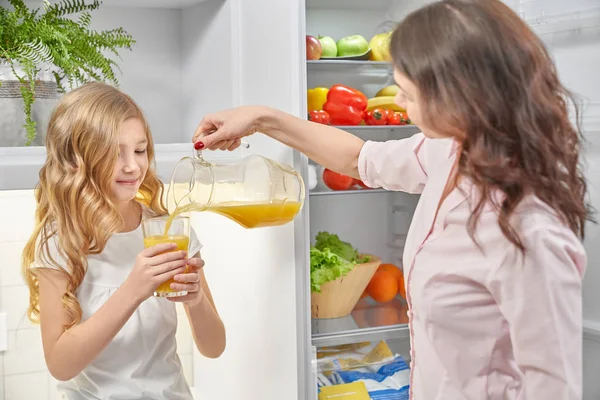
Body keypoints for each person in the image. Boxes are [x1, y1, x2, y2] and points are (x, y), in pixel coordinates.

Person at [192, 0, 592, 399]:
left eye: (408, 94)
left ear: (459, 97)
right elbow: (358, 158)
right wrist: (262, 118)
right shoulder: (451, 153)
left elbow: (554, 388)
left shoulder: (529, 229)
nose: (399, 103)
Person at [22, 82, 226, 399]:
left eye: (140, 150)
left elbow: (214, 347)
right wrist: (133, 290)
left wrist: (196, 300)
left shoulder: (167, 229)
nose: (133, 166)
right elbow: (61, 365)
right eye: (114, 154)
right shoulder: (60, 242)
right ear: (78, 159)